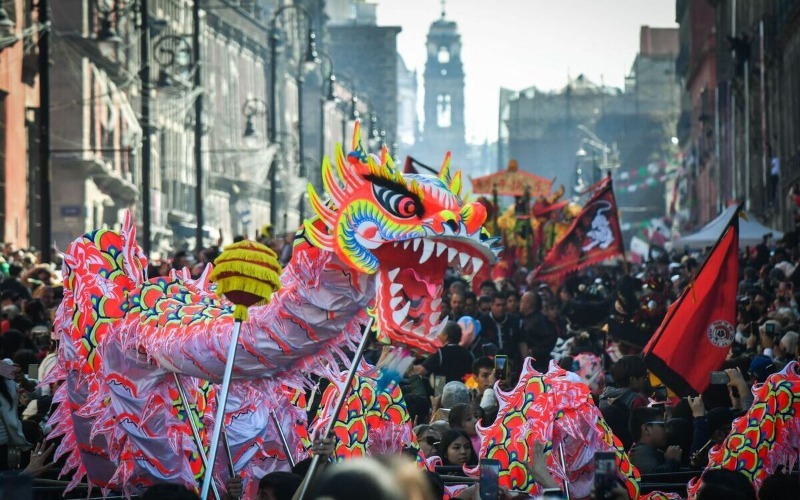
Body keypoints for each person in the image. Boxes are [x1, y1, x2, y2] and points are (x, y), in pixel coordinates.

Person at [598, 355, 650, 450]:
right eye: (643, 377)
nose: (645, 380)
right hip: (627, 447)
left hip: (606, 445)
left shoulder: (604, 396)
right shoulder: (636, 399)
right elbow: (642, 429)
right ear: (632, 379)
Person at [628, 407, 682, 474]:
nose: (667, 431)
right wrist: (672, 461)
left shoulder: (648, 450)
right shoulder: (641, 452)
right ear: (646, 429)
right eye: (662, 425)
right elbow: (654, 478)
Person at [478, 292, 521, 359]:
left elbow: (522, 343)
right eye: (498, 305)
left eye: (503, 305)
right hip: (489, 362)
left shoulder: (515, 321)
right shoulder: (482, 322)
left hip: (511, 361)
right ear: (492, 305)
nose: (501, 308)